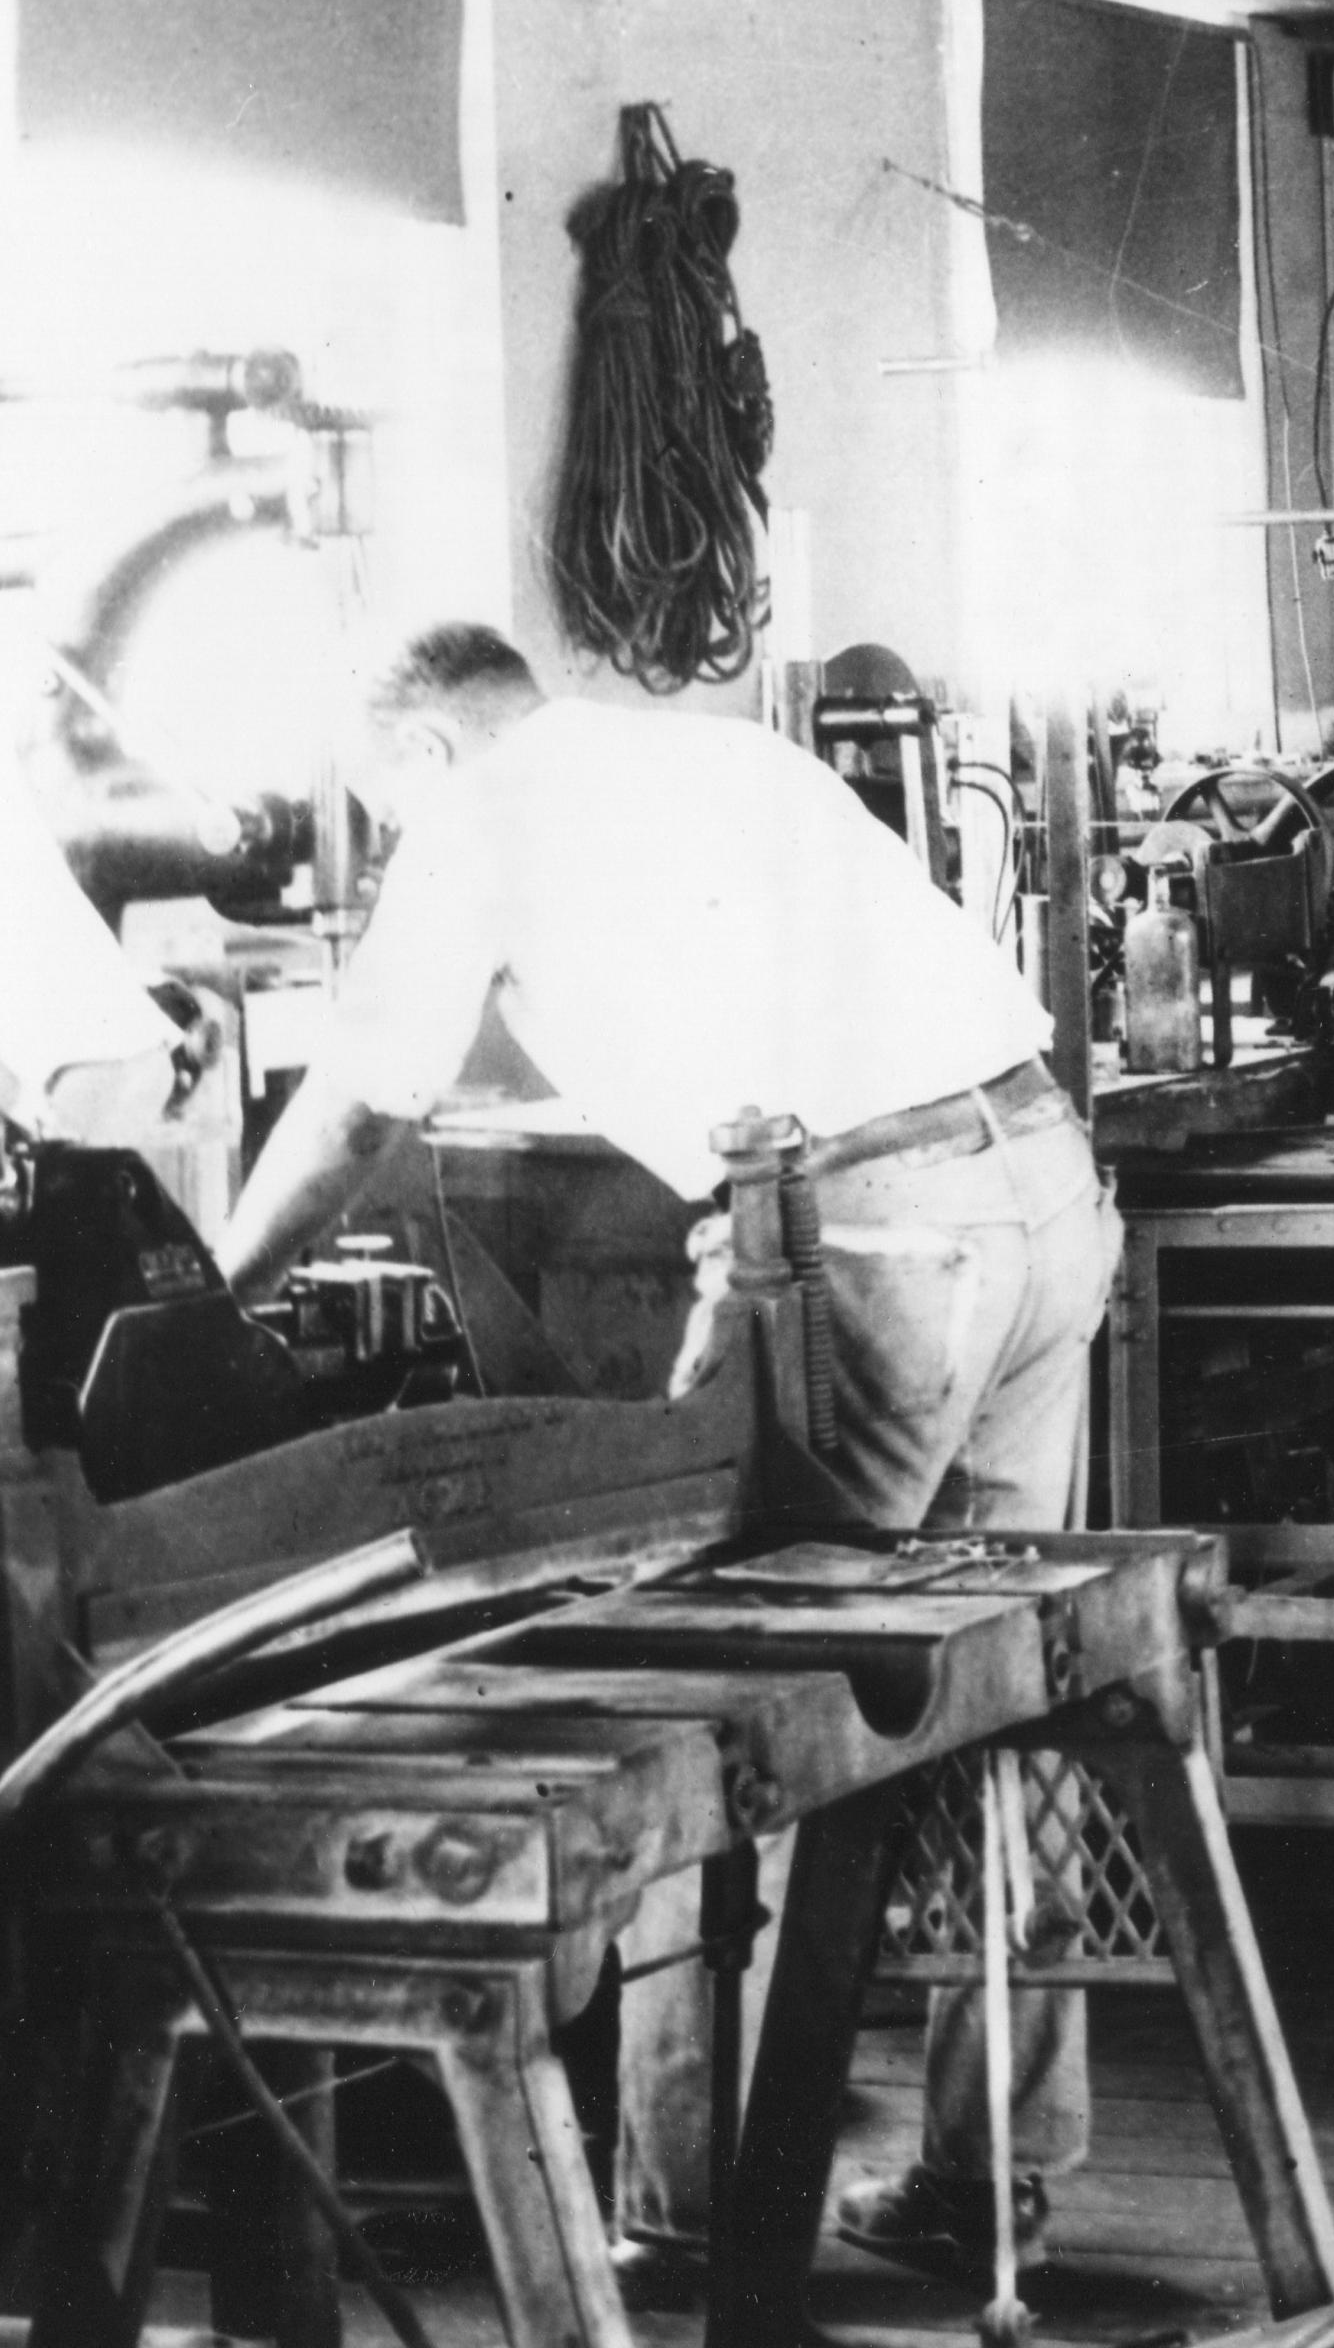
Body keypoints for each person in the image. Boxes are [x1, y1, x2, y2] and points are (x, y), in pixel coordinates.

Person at [218, 621, 1110, 2292]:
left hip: (886, 1244)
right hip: (1039, 1187)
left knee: (736, 1709)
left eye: (389, 815)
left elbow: (354, 1103)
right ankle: (991, 2186)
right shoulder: (719, 748)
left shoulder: (481, 815)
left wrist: (210, 1303)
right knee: (1000, 1691)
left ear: (423, 752)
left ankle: (699, 2209)